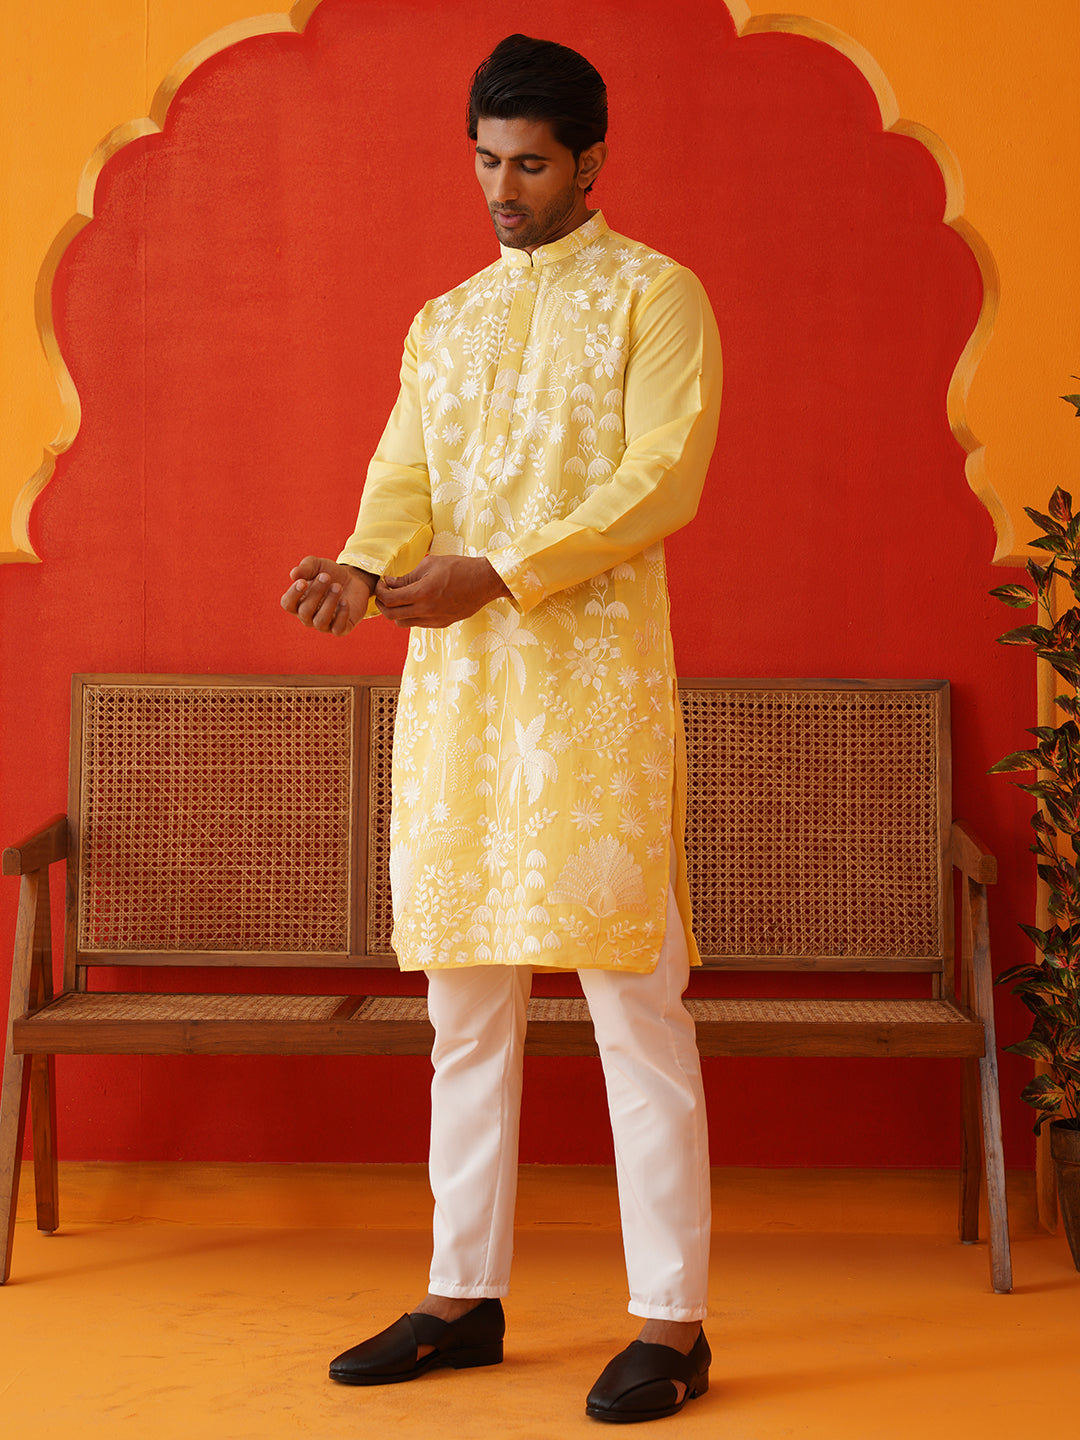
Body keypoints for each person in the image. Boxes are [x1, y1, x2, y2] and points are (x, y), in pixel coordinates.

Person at [281, 34, 721, 1425]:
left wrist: (507, 573)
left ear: (593, 162)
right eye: (485, 160)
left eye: (530, 164)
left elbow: (662, 477)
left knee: (635, 1011)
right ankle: (460, 1297)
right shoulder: (447, 321)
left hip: (591, 705)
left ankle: (673, 1324)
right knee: (463, 1014)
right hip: (463, 703)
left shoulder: (656, 296)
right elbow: (402, 476)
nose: (502, 189)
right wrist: (363, 568)